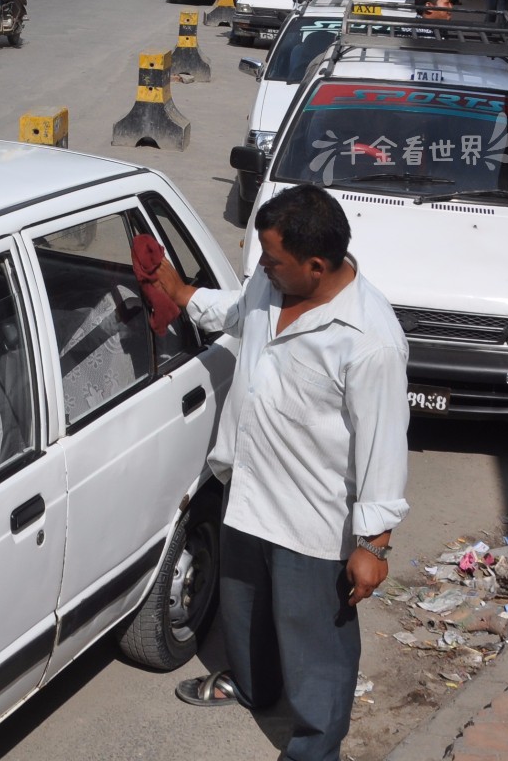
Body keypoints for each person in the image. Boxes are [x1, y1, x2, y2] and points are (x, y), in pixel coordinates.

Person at [162, 185, 409, 761]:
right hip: (247, 492)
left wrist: (374, 542)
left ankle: (314, 747)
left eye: (272, 259)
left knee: (314, 643)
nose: (262, 268)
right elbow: (236, 314)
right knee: (244, 611)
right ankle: (252, 687)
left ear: (316, 266)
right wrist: (179, 293)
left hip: (313, 519)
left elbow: (383, 446)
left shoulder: (370, 341)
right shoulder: (271, 285)